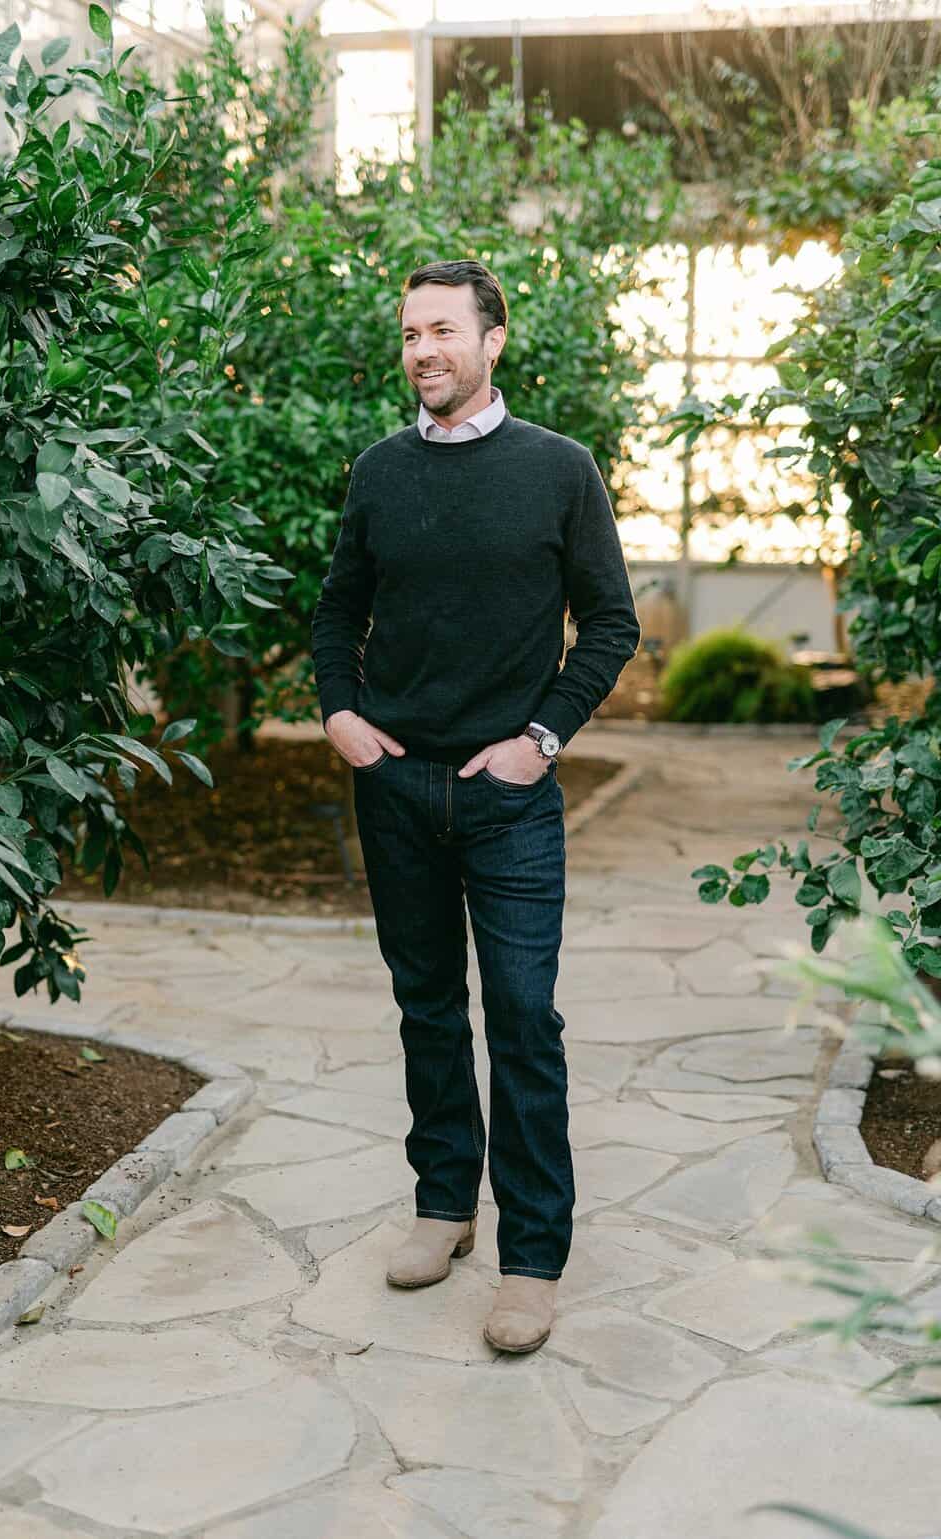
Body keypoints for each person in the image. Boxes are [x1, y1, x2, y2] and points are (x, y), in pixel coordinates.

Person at [310, 258, 640, 1354]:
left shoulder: (558, 470)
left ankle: (531, 1259)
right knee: (425, 1011)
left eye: (443, 330)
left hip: (507, 799)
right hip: (396, 787)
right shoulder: (378, 471)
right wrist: (338, 715)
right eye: (410, 333)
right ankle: (443, 1207)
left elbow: (608, 623)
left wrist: (539, 740)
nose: (422, 351)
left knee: (523, 1021)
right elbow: (336, 611)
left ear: (493, 341)